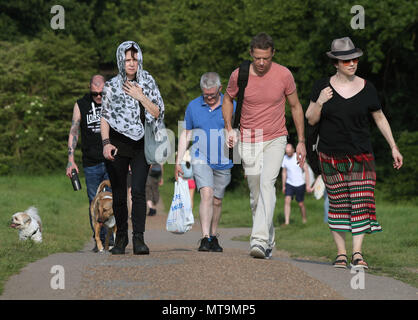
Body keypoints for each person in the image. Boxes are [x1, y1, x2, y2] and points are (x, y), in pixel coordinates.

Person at [305, 37, 403, 269]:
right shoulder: (322, 86)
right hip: (330, 156)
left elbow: (379, 117)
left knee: (361, 202)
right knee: (338, 205)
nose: (352, 63)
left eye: (355, 59)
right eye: (347, 60)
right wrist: (319, 101)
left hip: (361, 155)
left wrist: (393, 146)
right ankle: (341, 254)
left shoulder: (367, 87)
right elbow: (310, 119)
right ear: (336, 63)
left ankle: (357, 253)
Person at [223, 32, 306, 259]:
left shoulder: (284, 75)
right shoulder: (239, 74)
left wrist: (300, 141)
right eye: (257, 58)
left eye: (266, 58)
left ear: (273, 54)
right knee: (256, 193)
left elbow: (296, 106)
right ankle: (268, 238)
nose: (261, 63)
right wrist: (229, 127)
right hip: (248, 138)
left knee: (268, 184)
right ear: (251, 54)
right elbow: (228, 99)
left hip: (276, 137)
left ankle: (258, 240)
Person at [100, 40, 165, 255]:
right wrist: (106, 143)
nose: (131, 63)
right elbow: (105, 117)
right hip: (117, 144)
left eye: (135, 59)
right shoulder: (111, 86)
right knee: (119, 194)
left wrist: (140, 96)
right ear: (120, 60)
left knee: (137, 191)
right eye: (127, 59)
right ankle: (121, 239)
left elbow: (157, 112)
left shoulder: (148, 81)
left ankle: (139, 239)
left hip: (141, 145)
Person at [175, 72, 236, 252]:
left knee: (217, 200)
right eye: (205, 95)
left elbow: (239, 129)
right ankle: (204, 237)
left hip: (224, 159)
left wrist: (236, 139)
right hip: (200, 157)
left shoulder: (231, 104)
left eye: (213, 95)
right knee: (206, 194)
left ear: (220, 89)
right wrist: (178, 160)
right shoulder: (193, 106)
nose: (209, 98)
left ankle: (213, 236)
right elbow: (186, 134)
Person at [66, 74, 112, 252]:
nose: (99, 97)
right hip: (91, 162)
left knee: (114, 199)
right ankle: (99, 240)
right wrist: (71, 160)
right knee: (94, 202)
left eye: (102, 93)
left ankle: (113, 237)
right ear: (89, 88)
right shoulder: (81, 104)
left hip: (111, 159)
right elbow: (74, 131)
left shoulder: (112, 101)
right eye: (95, 94)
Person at [281, 143, 313, 225]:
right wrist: (283, 186)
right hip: (289, 183)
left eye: (289, 152)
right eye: (286, 152)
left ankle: (304, 219)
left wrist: (307, 185)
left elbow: (306, 171)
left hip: (300, 184)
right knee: (287, 200)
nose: (288, 154)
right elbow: (284, 173)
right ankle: (287, 222)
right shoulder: (284, 158)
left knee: (301, 203)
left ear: (293, 150)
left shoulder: (298, 157)